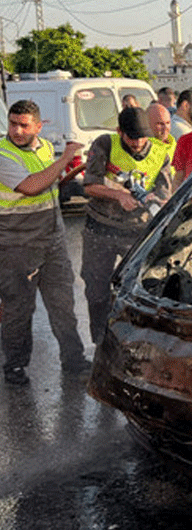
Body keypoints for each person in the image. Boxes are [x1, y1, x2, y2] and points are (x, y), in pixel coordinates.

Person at [0, 100, 89, 384]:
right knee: (18, 309)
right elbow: (31, 186)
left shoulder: (45, 148)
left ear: (38, 126)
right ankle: (14, 365)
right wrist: (66, 159)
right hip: (17, 246)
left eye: (24, 125)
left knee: (63, 304)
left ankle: (73, 358)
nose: (16, 130)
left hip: (52, 241)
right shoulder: (2, 155)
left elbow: (51, 184)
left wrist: (73, 168)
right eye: (13, 123)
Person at [81, 107, 172, 345]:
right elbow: (89, 186)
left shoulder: (160, 153)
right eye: (132, 137)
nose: (138, 142)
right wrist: (118, 195)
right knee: (97, 291)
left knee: (141, 290)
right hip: (99, 229)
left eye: (142, 137)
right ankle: (100, 342)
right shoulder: (105, 144)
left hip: (136, 232)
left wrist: (155, 198)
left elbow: (164, 191)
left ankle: (135, 342)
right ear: (120, 132)